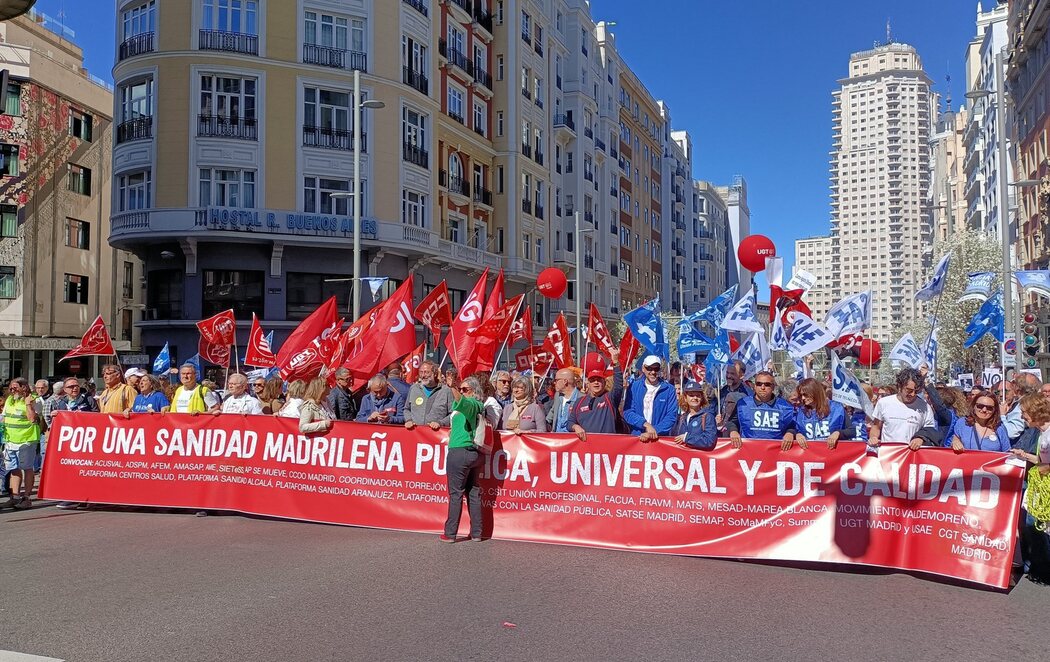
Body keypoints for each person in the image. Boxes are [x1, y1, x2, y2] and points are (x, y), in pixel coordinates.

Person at [441, 376, 486, 543]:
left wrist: (453, 387)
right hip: (474, 453)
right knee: (473, 493)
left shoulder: (473, 404)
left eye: (465, 389)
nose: (461, 392)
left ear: (474, 391)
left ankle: (450, 533)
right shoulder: (476, 406)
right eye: (461, 389)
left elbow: (462, 403)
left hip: (460, 451)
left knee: (455, 493)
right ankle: (476, 533)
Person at [1014, 392, 1050, 583]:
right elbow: (1042, 460)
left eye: (1024, 412)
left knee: (1036, 526)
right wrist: (1024, 455)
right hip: (1040, 487)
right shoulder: (1043, 433)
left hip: (1046, 488)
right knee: (1033, 525)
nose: (1022, 416)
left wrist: (1044, 468)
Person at [868, 368, 938, 450]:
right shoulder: (883, 403)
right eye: (909, 390)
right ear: (900, 386)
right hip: (887, 454)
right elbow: (876, 427)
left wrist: (920, 438)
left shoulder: (925, 407)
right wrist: (873, 437)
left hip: (912, 456)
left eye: (916, 391)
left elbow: (929, 431)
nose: (912, 394)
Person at [727, 370, 798, 450]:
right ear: (754, 386)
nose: (763, 387)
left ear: (773, 387)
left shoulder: (785, 407)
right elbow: (732, 422)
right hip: (748, 452)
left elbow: (793, 425)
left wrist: (790, 433)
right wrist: (733, 431)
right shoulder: (743, 403)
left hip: (776, 453)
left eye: (767, 384)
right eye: (759, 384)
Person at [568, 349, 625, 439]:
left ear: (604, 383)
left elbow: (618, 386)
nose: (596, 383)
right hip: (587, 449)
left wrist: (616, 362)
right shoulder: (579, 402)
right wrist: (575, 427)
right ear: (588, 383)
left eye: (599, 380)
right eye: (592, 380)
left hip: (608, 449)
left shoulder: (610, 398)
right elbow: (570, 422)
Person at [1, 378, 40, 509]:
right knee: (13, 469)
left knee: (27, 468)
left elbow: (32, 419)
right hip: (10, 440)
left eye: (15, 388)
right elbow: (4, 417)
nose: (12, 391)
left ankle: (27, 498)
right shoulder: (10, 400)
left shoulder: (34, 399)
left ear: (24, 387)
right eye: (10, 388)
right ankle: (15, 497)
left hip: (26, 441)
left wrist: (28, 404)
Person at [623, 355, 679, 440]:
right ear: (643, 368)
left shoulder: (669, 389)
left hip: (660, 439)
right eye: (649, 368)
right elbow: (628, 412)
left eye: (656, 369)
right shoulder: (634, 386)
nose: (653, 372)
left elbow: (671, 416)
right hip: (637, 439)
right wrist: (645, 424)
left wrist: (654, 431)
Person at [795, 377, 847, 449]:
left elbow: (852, 430)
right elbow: (791, 428)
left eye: (805, 394)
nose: (803, 398)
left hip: (832, 454)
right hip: (809, 455)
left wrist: (838, 433)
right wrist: (796, 434)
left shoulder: (837, 408)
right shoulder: (800, 412)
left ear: (815, 392)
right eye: (801, 395)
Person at [404, 361, 454, 430]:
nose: (423, 375)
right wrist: (408, 420)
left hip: (436, 435)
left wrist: (440, 423)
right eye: (421, 372)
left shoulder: (446, 391)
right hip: (415, 434)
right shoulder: (414, 388)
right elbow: (406, 409)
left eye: (426, 372)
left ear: (435, 374)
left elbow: (453, 414)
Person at [671, 380, 717, 450]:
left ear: (701, 398)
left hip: (700, 459)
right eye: (691, 395)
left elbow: (709, 441)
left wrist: (687, 438)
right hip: (682, 458)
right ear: (685, 398)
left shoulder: (707, 417)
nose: (695, 398)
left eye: (698, 396)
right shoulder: (682, 418)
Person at [546, 367, 582, 433]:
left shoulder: (581, 398)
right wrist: (544, 423)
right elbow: (553, 412)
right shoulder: (557, 395)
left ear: (565, 381)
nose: (554, 383)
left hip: (573, 439)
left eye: (556, 380)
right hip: (557, 438)